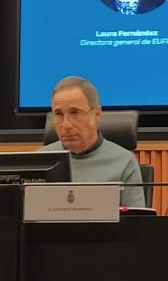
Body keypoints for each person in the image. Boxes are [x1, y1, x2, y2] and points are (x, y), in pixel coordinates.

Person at [39, 76, 145, 207]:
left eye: (75, 113)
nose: (66, 125)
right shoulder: (39, 160)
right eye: (59, 114)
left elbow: (136, 223)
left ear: (96, 114)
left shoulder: (124, 162)